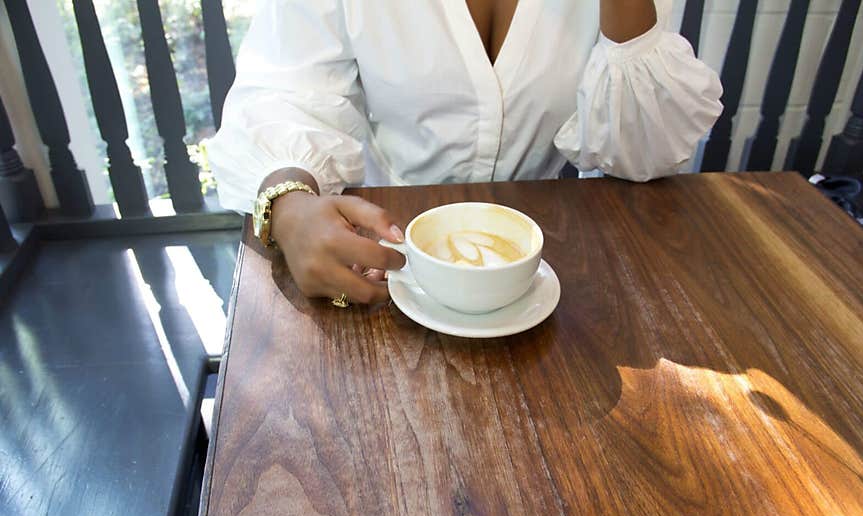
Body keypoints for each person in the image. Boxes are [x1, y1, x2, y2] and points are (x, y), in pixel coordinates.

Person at [207, 0, 723, 306]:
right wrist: (293, 205)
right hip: (380, 259)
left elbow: (647, 155)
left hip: (551, 272)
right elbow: (287, 88)